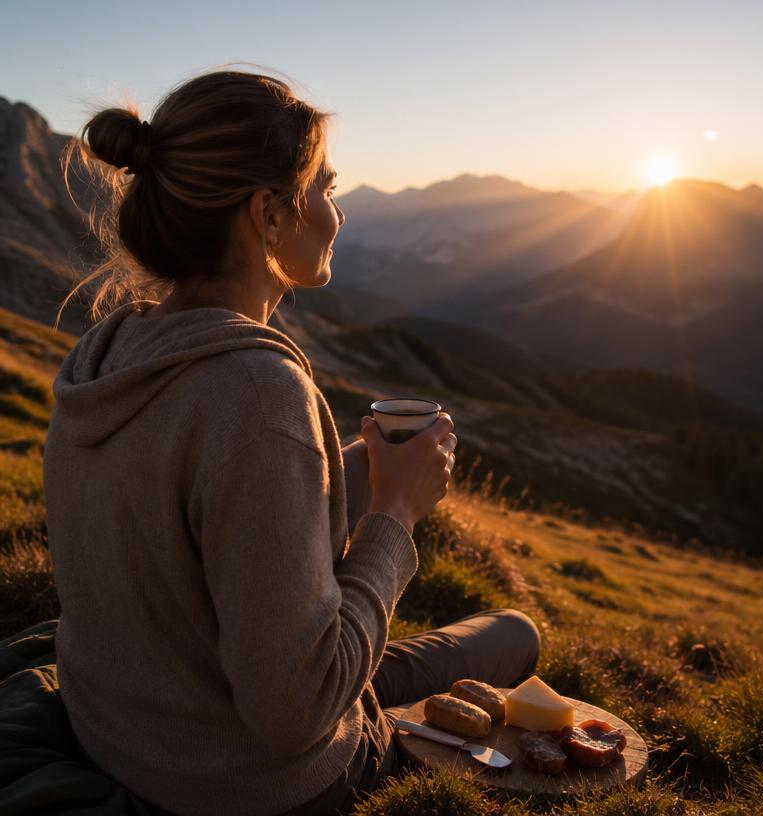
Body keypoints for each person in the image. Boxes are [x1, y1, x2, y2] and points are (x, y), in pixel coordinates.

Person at [44, 68, 541, 816]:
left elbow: (194, 517)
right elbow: (295, 712)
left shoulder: (109, 355)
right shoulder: (259, 393)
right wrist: (396, 512)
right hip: (246, 780)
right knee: (514, 635)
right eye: (326, 188)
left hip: (123, 726)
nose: (337, 214)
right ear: (269, 216)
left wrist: (352, 472)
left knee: (497, 639)